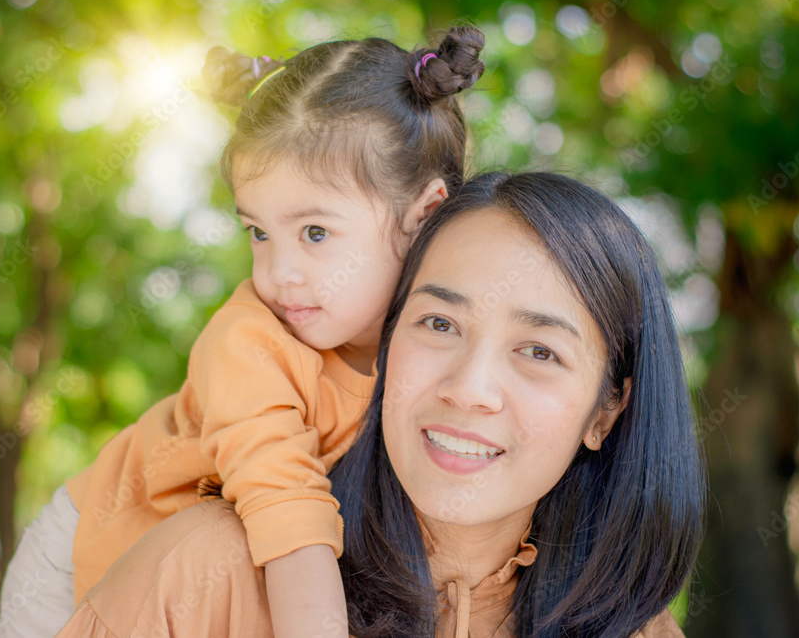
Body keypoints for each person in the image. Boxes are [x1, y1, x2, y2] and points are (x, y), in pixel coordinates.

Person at [55, 171, 706, 637]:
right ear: (386, 346)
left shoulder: (635, 628)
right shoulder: (203, 573)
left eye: (538, 351)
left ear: (606, 411)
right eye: (440, 324)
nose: (468, 388)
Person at [0, 26, 487, 638]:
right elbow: (291, 526)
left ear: (426, 215)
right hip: (83, 561)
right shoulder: (248, 344)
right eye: (258, 232)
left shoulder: (450, 348)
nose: (277, 274)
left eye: (314, 233)